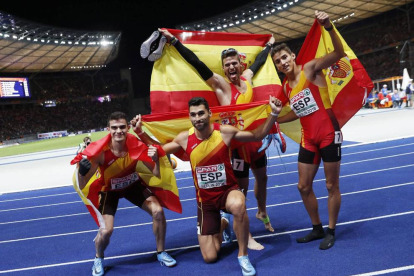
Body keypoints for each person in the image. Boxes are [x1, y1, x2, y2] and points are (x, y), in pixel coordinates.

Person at [132, 96, 282, 276]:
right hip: (205, 202)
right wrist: (140, 132)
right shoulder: (184, 139)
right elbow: (158, 149)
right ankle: (224, 222)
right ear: (189, 117)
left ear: (210, 113)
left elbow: (257, 135)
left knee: (238, 205)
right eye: (193, 115)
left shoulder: (225, 132)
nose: (198, 118)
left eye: (201, 113)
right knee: (210, 257)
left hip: (228, 192)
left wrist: (274, 113)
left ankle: (243, 256)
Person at [158, 28, 284, 242]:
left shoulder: (247, 78)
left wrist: (269, 46)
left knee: (262, 178)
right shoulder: (221, 86)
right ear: (223, 69)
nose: (231, 66)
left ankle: (261, 211)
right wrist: (176, 43)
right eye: (227, 64)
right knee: (240, 191)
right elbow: (197, 63)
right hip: (236, 146)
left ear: (240, 64)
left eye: (234, 63)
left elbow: (259, 62)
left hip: (254, 140)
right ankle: (245, 233)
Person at [271, 10, 346, 250]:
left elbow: (339, 53)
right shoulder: (285, 87)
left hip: (327, 133)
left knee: (331, 186)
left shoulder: (310, 69)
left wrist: (328, 26)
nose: (282, 63)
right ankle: (317, 228)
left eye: (284, 57)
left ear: (292, 56)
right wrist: (277, 120)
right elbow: (298, 111)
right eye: (278, 62)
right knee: (303, 186)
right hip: (308, 138)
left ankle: (331, 231)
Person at [76, 111, 177, 276]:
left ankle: (161, 252)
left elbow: (157, 174)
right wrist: (82, 172)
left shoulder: (136, 145)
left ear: (128, 127)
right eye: (114, 128)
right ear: (108, 129)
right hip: (109, 190)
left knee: (158, 212)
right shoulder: (101, 153)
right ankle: (98, 258)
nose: (118, 131)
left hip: (132, 185)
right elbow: (82, 185)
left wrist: (156, 160)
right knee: (106, 231)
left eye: (122, 127)